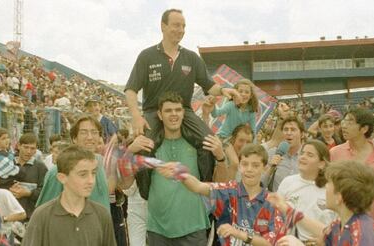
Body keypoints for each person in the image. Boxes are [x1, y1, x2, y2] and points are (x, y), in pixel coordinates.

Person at [125, 9, 240, 198]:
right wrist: (136, 116)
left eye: (183, 26)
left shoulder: (192, 57)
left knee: (209, 143)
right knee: (144, 146)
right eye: (176, 25)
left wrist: (223, 91)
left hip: (183, 111)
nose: (181, 30)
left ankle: (204, 189)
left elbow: (208, 84)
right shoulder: (147, 56)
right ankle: (146, 195)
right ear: (163, 26)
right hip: (153, 112)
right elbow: (130, 90)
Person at [120, 92, 219, 245]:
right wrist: (129, 151)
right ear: (159, 115)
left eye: (177, 110)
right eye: (168, 110)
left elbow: (219, 180)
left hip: (193, 227)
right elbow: (125, 184)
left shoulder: (199, 146)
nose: (173, 114)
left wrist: (221, 156)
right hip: (157, 230)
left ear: (183, 113)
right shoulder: (148, 147)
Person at [159, 143, 287, 245]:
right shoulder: (228, 190)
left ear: (264, 168)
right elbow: (198, 186)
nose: (249, 169)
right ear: (239, 167)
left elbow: (272, 242)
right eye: (245, 164)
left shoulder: (272, 202)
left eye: (255, 165)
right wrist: (180, 173)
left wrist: (240, 234)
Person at [269, 160, 374, 246]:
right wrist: (287, 209)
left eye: (329, 183)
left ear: (339, 197)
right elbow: (323, 231)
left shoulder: (362, 236)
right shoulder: (343, 222)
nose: (326, 186)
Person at [22, 145, 117, 246]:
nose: (91, 181)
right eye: (83, 174)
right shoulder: (42, 216)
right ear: (62, 178)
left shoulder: (101, 214)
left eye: (93, 173)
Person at [330, 107, 374, 234]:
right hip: (343, 230)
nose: (343, 126)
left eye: (350, 122)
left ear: (364, 129)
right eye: (344, 121)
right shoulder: (335, 153)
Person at [277, 140, 335, 242]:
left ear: (321, 164)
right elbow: (276, 215)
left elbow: (335, 225)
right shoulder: (288, 182)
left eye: (310, 155)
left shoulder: (330, 189)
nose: (303, 157)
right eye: (302, 153)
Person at [0, 133, 47, 220]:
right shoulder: (6, 164)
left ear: (36, 150)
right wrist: (9, 189)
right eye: (26, 147)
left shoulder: (40, 167)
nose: (29, 151)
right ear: (18, 146)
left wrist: (28, 193)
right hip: (8, 217)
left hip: (31, 218)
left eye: (32, 148)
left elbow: (45, 192)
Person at [263, 116, 305, 192]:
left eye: (293, 130)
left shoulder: (307, 155)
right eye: (286, 129)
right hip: (277, 201)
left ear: (302, 134)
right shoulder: (272, 153)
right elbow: (261, 184)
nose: (289, 133)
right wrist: (271, 167)